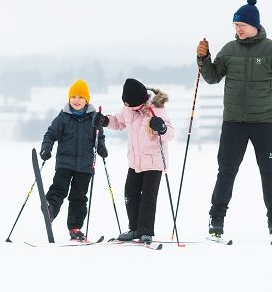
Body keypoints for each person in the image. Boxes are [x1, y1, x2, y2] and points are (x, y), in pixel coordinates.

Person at [196, 0, 272, 239]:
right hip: (233, 122)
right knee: (226, 171)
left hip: (263, 122)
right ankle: (216, 220)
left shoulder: (270, 48)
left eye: (241, 25)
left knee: (269, 171)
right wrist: (203, 59)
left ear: (254, 25)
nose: (237, 29)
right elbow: (212, 77)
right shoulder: (229, 50)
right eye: (235, 26)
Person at [95, 78, 174, 245]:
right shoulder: (128, 109)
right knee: (130, 193)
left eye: (133, 106)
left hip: (154, 163)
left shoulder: (157, 109)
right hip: (135, 162)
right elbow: (118, 122)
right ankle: (134, 228)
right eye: (127, 106)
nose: (130, 109)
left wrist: (162, 128)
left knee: (148, 197)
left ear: (142, 99)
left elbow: (170, 134)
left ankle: (146, 231)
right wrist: (105, 120)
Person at [40, 79, 107, 241]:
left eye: (80, 97)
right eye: (74, 97)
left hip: (85, 166)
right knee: (59, 188)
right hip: (65, 163)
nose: (76, 100)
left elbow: (100, 137)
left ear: (86, 100)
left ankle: (75, 228)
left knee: (79, 197)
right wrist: (46, 148)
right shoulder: (63, 117)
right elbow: (50, 134)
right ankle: (50, 209)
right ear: (69, 99)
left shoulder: (93, 118)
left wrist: (101, 148)